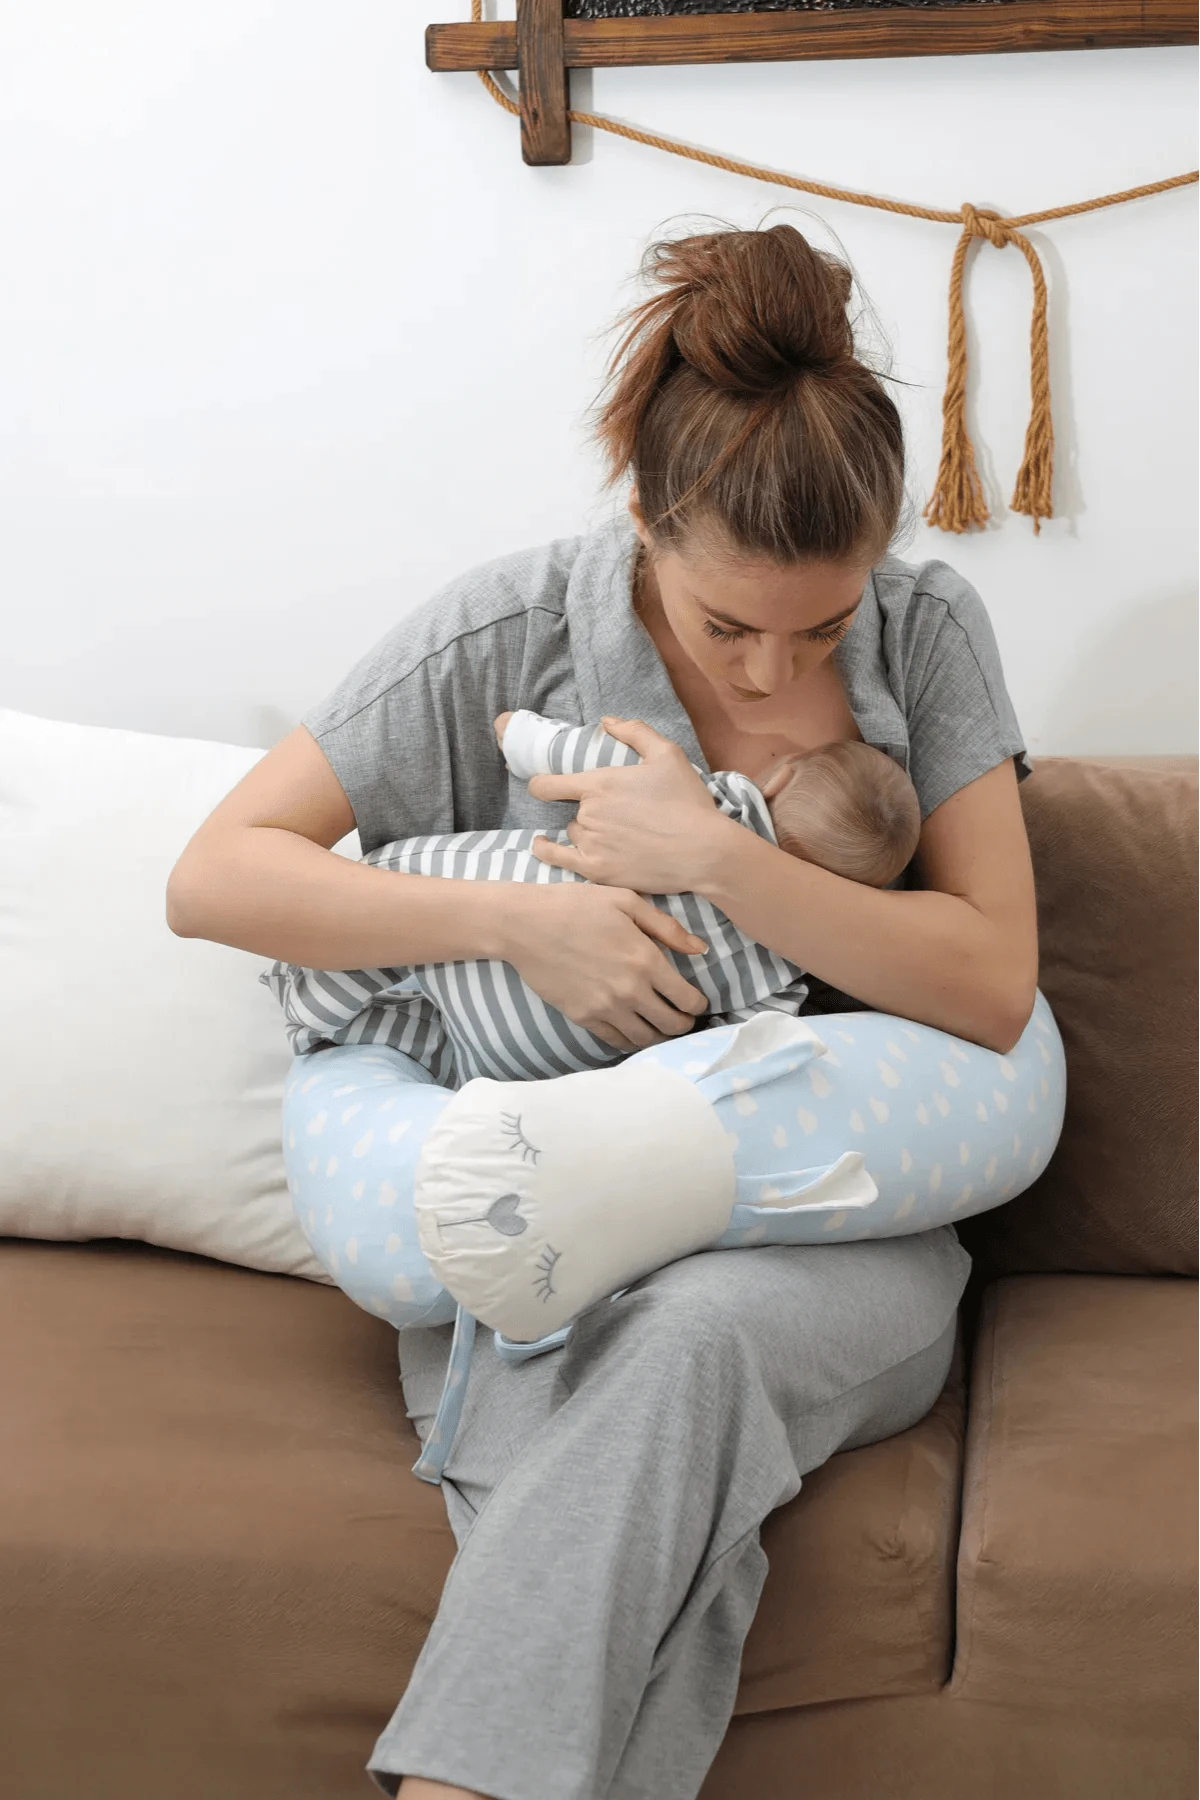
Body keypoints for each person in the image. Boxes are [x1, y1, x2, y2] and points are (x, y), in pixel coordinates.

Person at [167, 223, 1043, 1800]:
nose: (774, 674)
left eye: (820, 628)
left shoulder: (928, 632)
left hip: (832, 1236)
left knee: (692, 1340)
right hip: (546, 1238)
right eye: (727, 627)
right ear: (645, 521)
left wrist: (719, 859)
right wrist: (520, 921)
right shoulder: (499, 635)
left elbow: (989, 981)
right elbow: (217, 876)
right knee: (622, 1401)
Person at [266, 707, 922, 1085]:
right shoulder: (786, 973)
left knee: (403, 904)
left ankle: (305, 994)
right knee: (440, 1054)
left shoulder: (699, 797)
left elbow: (592, 754)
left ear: (776, 780)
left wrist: (521, 736)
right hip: (520, 1058)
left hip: (461, 903)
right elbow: (725, 1058)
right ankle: (340, 1035)